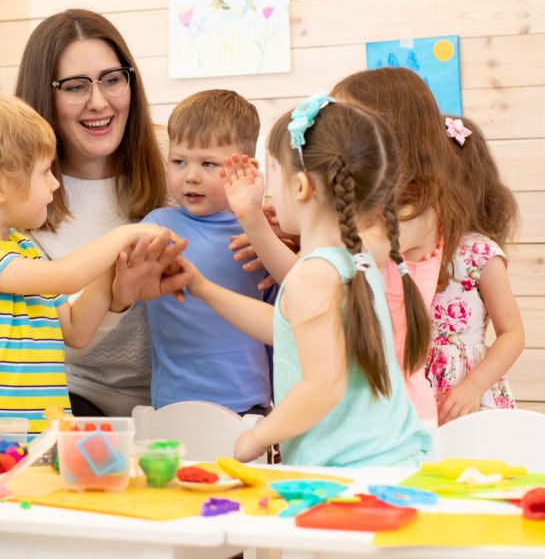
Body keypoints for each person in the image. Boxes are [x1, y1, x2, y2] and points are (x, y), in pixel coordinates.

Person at [184, 93, 431, 466]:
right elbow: (287, 330)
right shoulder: (359, 260)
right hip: (393, 464)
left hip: (351, 477)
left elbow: (323, 384)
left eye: (275, 176)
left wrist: (257, 436)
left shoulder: (316, 275)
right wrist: (203, 288)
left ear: (299, 187)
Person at [0, 92, 188, 437]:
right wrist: (123, 235)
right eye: (44, 172)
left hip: (45, 440)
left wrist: (116, 269)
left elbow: (76, 330)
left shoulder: (26, 253)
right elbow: (66, 277)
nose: (54, 184)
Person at [15, 9, 169, 417]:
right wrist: (116, 298)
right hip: (75, 398)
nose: (99, 102)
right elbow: (58, 337)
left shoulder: (178, 161)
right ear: (42, 96)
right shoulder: (20, 195)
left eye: (112, 80)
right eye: (75, 87)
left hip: (182, 390)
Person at [330, 68, 475, 422]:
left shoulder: (417, 212)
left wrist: (302, 218)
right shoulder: (373, 210)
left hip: (392, 400)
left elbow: (352, 248)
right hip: (359, 388)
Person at [141, 90, 274, 415]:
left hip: (250, 405)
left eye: (208, 164)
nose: (191, 176)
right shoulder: (156, 229)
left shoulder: (263, 237)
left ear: (246, 170)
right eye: (179, 161)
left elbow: (282, 329)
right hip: (173, 406)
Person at [426, 115, 524, 423]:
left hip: (469, 392)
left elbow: (512, 334)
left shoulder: (479, 253)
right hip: (415, 385)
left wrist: (474, 385)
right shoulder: (408, 248)